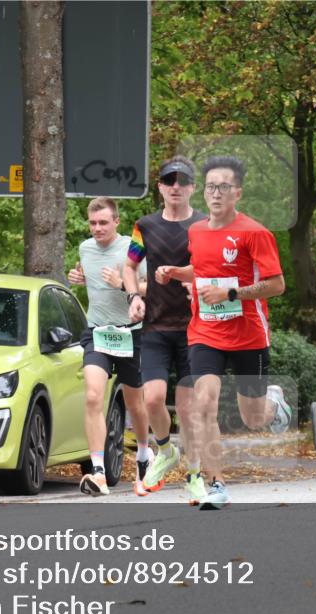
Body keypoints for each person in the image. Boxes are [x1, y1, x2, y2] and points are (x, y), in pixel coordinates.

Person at [156, 155, 292, 510]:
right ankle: (216, 484)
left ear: (238, 193)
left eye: (224, 187)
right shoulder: (196, 231)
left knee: (253, 418)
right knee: (202, 404)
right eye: (211, 187)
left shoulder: (255, 233)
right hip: (205, 332)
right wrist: (176, 272)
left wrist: (230, 294)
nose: (216, 193)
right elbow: (202, 269)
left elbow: (276, 284)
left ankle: (273, 401)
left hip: (249, 335)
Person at [123, 156, 208, 499]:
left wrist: (198, 283)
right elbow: (130, 266)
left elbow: (218, 269)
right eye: (169, 181)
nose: (176, 187)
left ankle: (195, 475)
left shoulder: (205, 225)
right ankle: (166, 450)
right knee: (154, 399)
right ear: (160, 187)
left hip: (195, 329)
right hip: (155, 326)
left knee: (188, 409)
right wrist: (133, 296)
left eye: (182, 181)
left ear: (192, 188)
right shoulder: (144, 225)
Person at [67, 197, 151, 496]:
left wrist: (122, 283)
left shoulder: (132, 249)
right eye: (93, 223)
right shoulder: (85, 248)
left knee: (135, 404)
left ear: (117, 221)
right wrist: (77, 277)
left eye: (103, 222)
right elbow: (89, 278)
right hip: (98, 332)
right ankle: (98, 471)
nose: (97, 228)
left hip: (130, 333)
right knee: (93, 396)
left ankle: (144, 456)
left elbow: (152, 288)